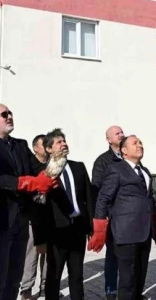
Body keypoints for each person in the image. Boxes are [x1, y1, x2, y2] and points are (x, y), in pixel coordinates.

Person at [0, 104, 58, 300]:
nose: (9, 116)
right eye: (4, 114)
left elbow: (37, 168)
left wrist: (50, 174)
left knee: (14, 278)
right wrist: (31, 183)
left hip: (21, 219)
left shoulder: (20, 144)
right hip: (0, 220)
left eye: (10, 113)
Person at [89, 135, 156, 300]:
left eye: (141, 142)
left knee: (140, 275)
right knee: (127, 279)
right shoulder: (116, 169)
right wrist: (99, 227)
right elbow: (103, 199)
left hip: (145, 232)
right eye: (135, 143)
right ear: (124, 150)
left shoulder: (144, 171)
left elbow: (149, 200)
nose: (140, 145)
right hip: (125, 233)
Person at [35, 128, 93, 300]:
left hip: (78, 228)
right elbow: (38, 208)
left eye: (64, 141)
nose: (63, 144)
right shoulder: (44, 172)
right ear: (49, 149)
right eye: (59, 142)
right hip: (56, 231)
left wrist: (91, 227)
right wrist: (40, 239)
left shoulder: (78, 167)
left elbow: (88, 197)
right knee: (54, 275)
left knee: (77, 275)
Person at [91, 125, 124, 300]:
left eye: (122, 132)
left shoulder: (130, 157)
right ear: (109, 140)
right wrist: (100, 216)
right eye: (117, 133)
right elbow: (97, 188)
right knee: (113, 254)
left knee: (129, 255)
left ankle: (128, 289)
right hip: (112, 214)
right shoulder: (103, 161)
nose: (121, 135)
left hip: (130, 214)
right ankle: (111, 290)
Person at [20, 134, 48, 300]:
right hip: (33, 217)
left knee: (49, 255)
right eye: (44, 144)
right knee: (31, 254)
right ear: (35, 148)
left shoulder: (53, 166)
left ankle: (46, 286)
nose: (47, 146)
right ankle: (26, 289)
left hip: (50, 217)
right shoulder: (29, 166)